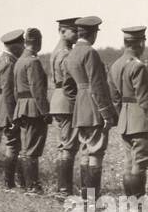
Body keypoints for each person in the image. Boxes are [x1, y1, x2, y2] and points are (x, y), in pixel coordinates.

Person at [65, 16, 117, 197]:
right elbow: (97, 86)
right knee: (96, 152)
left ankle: (85, 195)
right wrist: (106, 113)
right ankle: (92, 197)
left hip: (80, 107)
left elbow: (67, 87)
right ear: (93, 34)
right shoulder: (90, 53)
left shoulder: (71, 54)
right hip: (94, 107)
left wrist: (79, 101)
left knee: (85, 150)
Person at [110, 26, 148, 197]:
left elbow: (115, 98)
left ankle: (131, 201)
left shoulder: (115, 65)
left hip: (125, 119)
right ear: (141, 43)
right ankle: (138, 202)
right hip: (139, 120)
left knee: (129, 163)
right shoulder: (138, 67)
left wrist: (122, 115)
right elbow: (144, 99)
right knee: (140, 164)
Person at [14, 28, 51, 195]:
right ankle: (32, 186)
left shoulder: (20, 61)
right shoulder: (33, 62)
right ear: (38, 41)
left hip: (22, 106)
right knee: (32, 149)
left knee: (26, 147)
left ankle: (23, 183)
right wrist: (45, 111)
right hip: (33, 108)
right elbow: (37, 89)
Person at [48, 17, 79, 199]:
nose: (76, 35)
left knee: (63, 145)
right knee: (68, 146)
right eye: (73, 31)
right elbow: (69, 84)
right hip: (67, 101)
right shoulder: (66, 53)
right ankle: (64, 190)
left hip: (58, 100)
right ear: (62, 31)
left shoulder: (56, 50)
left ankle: (63, 188)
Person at [0, 30, 24, 190]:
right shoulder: (9, 62)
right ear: (15, 45)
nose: (23, 47)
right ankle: (9, 182)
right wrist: (13, 118)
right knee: (13, 146)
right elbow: (7, 91)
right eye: (21, 44)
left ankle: (12, 181)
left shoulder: (3, 60)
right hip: (9, 111)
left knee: (13, 145)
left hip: (5, 110)